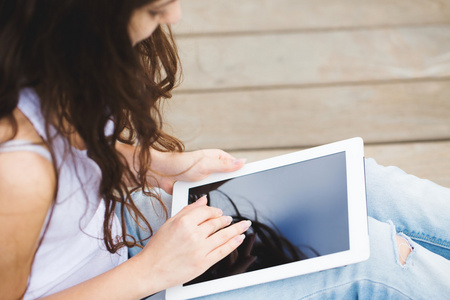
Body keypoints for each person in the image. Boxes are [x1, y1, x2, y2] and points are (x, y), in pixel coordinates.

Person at [0, 0, 449, 299]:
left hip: (117, 239)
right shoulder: (17, 173)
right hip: (122, 282)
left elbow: (72, 149)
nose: (174, 13)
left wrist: (154, 167)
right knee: (379, 263)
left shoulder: (47, 65)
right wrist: (154, 269)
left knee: (361, 185)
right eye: (155, 7)